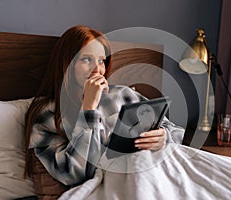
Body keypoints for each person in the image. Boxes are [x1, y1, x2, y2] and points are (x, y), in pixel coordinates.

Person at [24, 25, 184, 187]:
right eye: (86, 59)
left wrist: (164, 137)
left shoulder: (123, 94)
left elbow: (177, 132)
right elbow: (74, 174)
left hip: (154, 172)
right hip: (115, 184)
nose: (97, 70)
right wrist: (89, 108)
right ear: (68, 64)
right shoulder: (46, 114)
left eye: (101, 61)